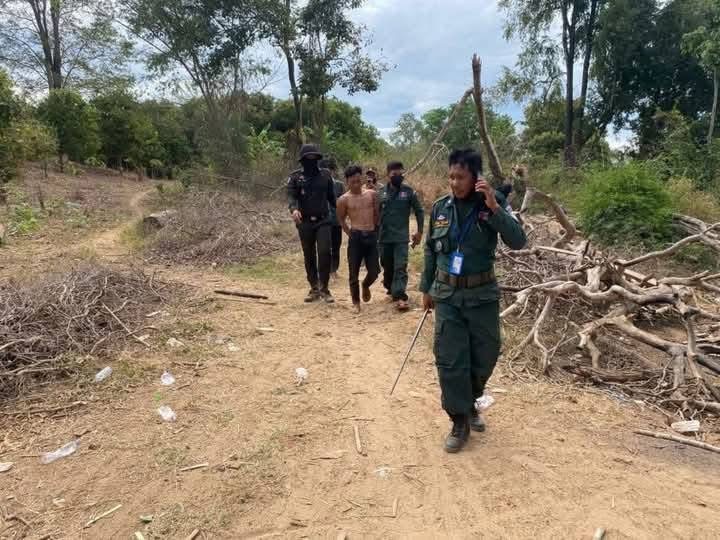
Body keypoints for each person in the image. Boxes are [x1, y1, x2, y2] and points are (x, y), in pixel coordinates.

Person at [419, 148, 527, 453]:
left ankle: (470, 401)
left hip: (482, 296)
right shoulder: (440, 208)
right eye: (451, 177)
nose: (454, 183)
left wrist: (495, 208)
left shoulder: (493, 203)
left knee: (486, 354)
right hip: (448, 296)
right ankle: (459, 420)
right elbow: (430, 249)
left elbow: (518, 241)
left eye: (461, 177)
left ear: (475, 178)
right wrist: (426, 288)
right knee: (451, 360)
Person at [287, 144, 337, 303]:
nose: (311, 161)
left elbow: (333, 198)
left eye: (314, 158)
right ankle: (314, 288)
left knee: (324, 252)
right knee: (309, 255)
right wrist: (294, 209)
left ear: (317, 159)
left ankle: (325, 288)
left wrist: (345, 211)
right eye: (308, 158)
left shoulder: (326, 175)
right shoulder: (295, 177)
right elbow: (291, 197)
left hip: (323, 220)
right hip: (305, 222)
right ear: (302, 160)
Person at [378, 161, 424, 311]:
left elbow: (419, 211)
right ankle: (390, 287)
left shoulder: (409, 192)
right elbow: (375, 214)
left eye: (400, 173)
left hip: (401, 238)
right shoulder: (380, 193)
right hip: (384, 237)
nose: (398, 176)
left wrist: (420, 231)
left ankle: (400, 296)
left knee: (400, 266)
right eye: (394, 174)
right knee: (387, 266)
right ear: (388, 175)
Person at [336, 165, 380, 312]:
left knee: (374, 271)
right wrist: (350, 233)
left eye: (358, 180)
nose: (356, 184)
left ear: (362, 179)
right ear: (347, 182)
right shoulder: (343, 199)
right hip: (356, 237)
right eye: (352, 181)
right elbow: (341, 219)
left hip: (371, 235)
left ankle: (366, 285)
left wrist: (375, 230)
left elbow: (377, 214)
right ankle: (356, 303)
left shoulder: (372, 194)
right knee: (353, 272)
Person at [323, 157, 346, 278]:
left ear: (332, 171)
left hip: (336, 221)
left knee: (336, 246)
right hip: (323, 221)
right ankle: (324, 270)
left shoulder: (339, 185)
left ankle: (333, 270)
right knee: (324, 247)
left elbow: (344, 202)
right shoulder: (319, 184)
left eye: (329, 170)